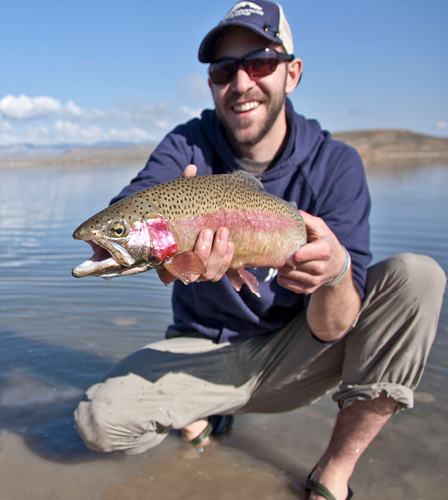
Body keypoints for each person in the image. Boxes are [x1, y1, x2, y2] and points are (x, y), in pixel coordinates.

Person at [72, 2, 446, 499]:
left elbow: (333, 327)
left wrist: (333, 274)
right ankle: (200, 414)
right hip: (205, 350)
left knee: (417, 276)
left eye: (260, 64)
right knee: (98, 421)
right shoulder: (187, 146)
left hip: (301, 351)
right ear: (211, 83)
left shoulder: (336, 166)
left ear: (292, 73)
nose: (241, 82)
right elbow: (134, 200)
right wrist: (140, 231)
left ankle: (332, 476)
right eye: (224, 70)